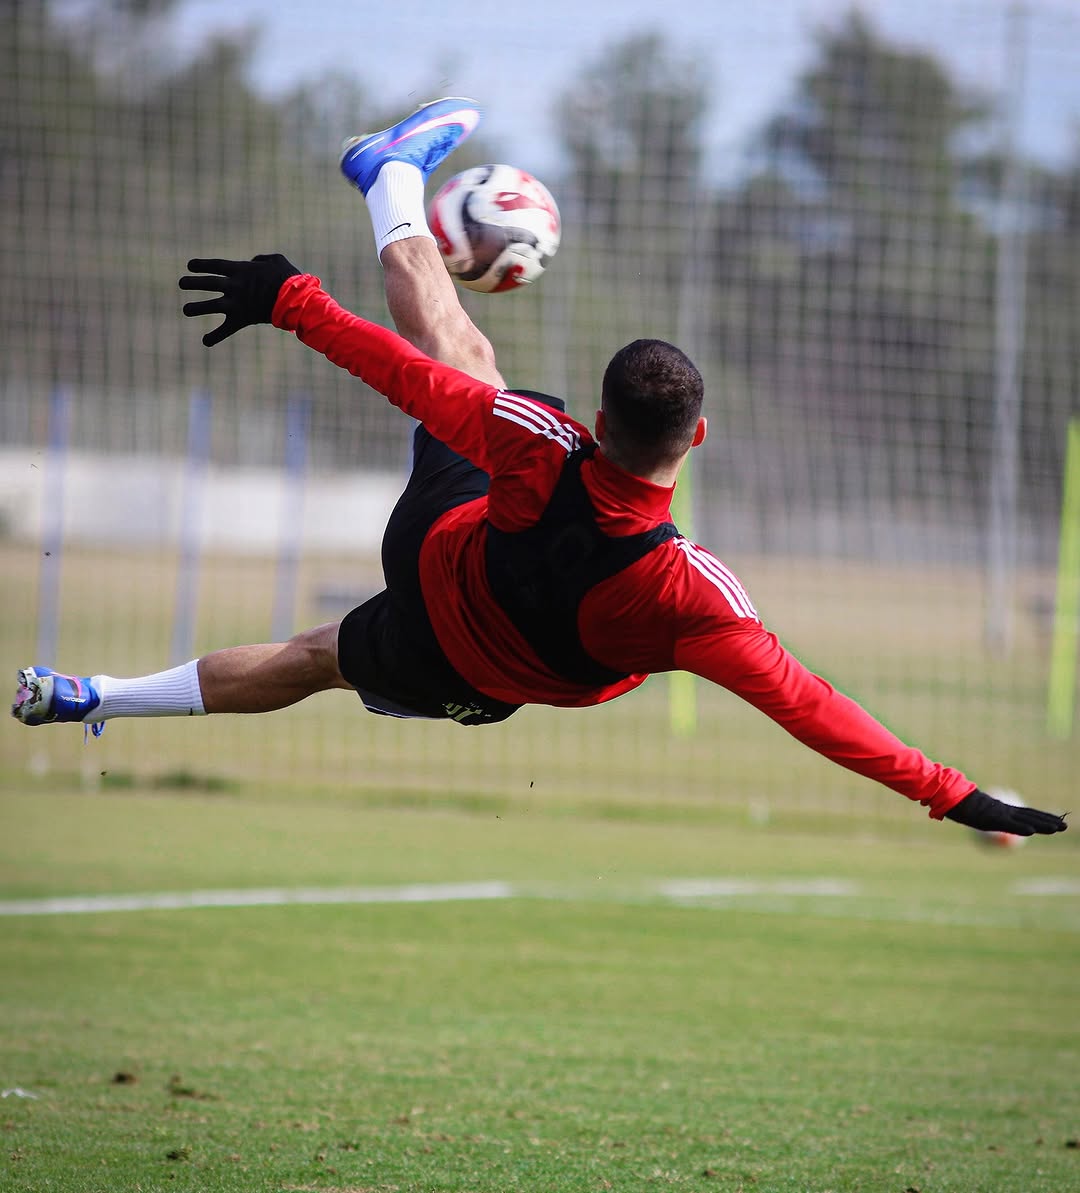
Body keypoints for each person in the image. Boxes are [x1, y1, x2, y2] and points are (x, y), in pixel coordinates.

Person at [10, 98, 1068, 841]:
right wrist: (953, 793)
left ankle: (390, 176)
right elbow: (817, 708)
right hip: (472, 668)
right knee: (316, 657)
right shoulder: (695, 599)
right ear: (694, 442)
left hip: (437, 554)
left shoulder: (537, 439)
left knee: (464, 362)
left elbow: (408, 376)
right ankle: (90, 692)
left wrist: (293, 303)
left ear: (601, 416)